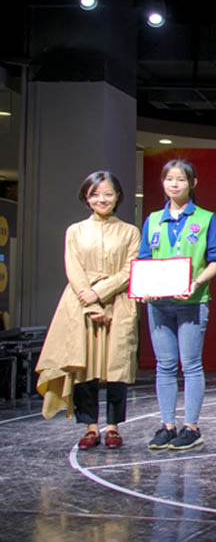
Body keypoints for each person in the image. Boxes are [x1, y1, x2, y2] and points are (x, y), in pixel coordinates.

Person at [35, 171, 140, 449]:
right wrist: (91, 302)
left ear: (118, 196)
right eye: (95, 194)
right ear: (86, 197)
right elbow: (74, 269)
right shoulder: (75, 231)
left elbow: (130, 270)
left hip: (118, 302)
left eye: (108, 194)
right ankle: (90, 427)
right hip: (80, 305)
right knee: (84, 368)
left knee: (117, 368)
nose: (101, 199)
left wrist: (100, 292)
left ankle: (113, 427)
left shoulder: (130, 232)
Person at [139, 159, 216, 451]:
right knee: (164, 365)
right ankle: (167, 426)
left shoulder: (205, 218)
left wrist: (196, 282)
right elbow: (144, 260)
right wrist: (144, 288)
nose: (174, 184)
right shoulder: (153, 219)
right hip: (158, 304)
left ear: (192, 183)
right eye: (169, 179)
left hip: (192, 302)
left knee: (190, 365)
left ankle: (191, 427)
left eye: (180, 179)